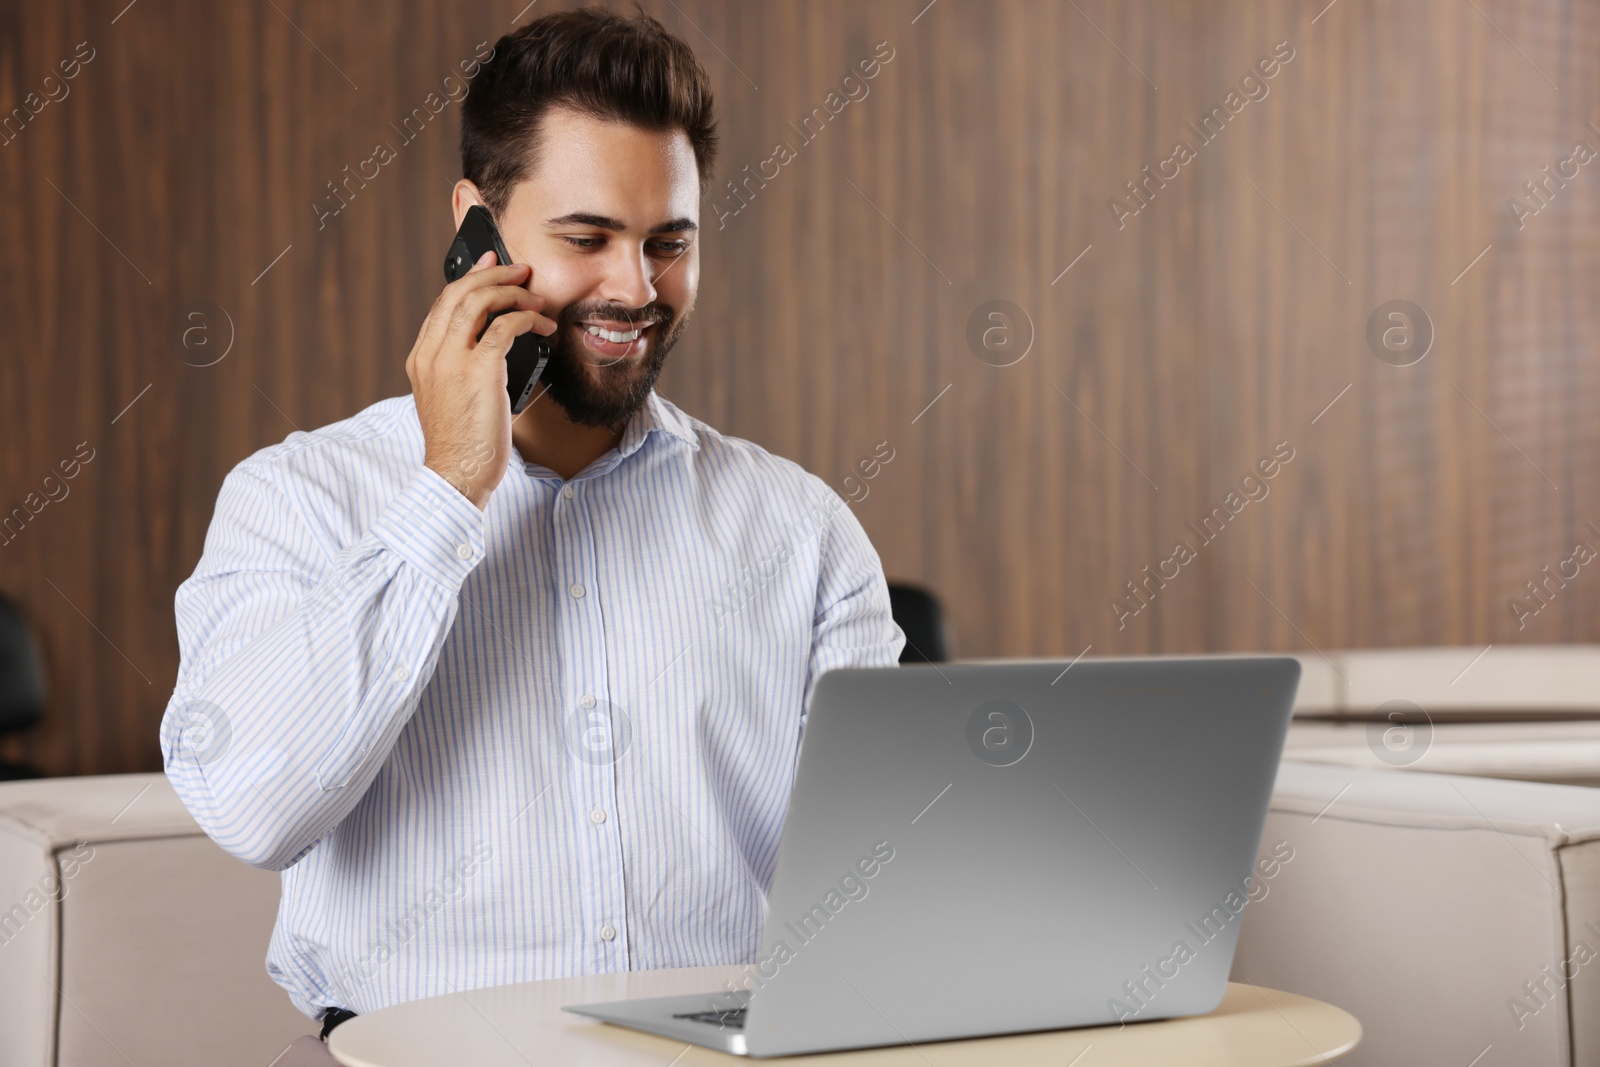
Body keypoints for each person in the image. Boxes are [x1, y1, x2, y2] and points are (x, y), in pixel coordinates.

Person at [158, 7, 903, 1060]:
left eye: (668, 243)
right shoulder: (298, 497)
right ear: (478, 228)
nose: (635, 290)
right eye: (587, 238)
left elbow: (878, 881)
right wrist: (448, 491)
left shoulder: (801, 530)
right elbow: (249, 805)